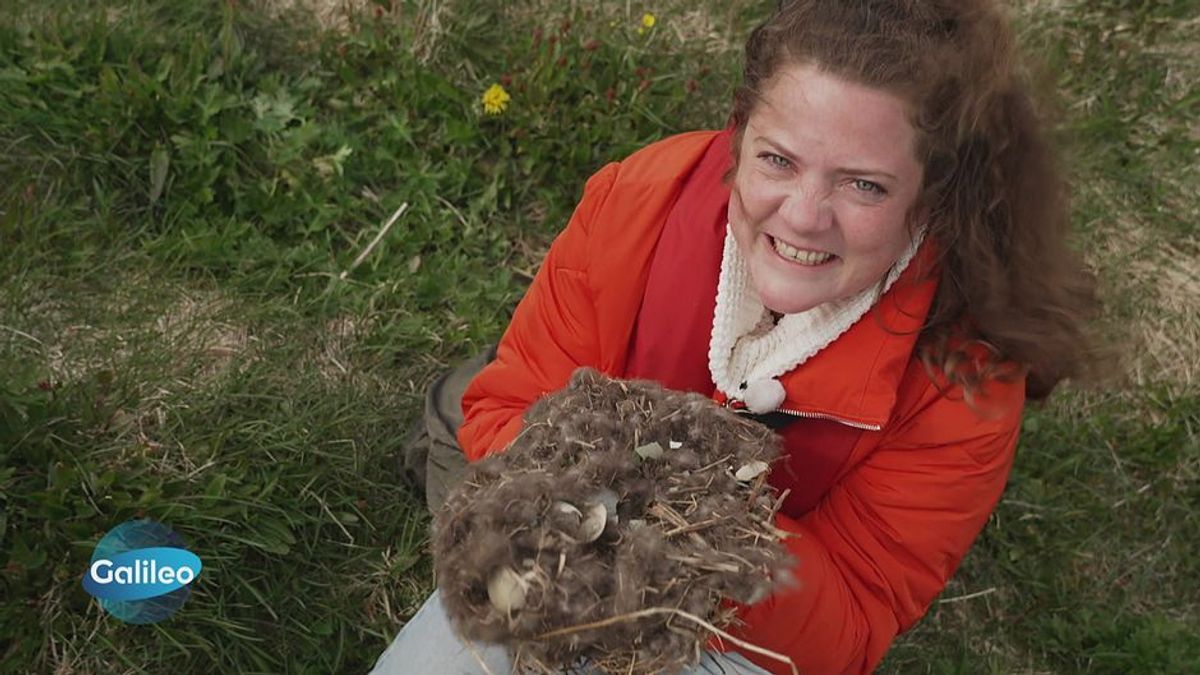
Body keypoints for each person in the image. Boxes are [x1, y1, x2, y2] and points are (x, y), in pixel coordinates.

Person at [377, 0, 1099, 672]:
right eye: (777, 160)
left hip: (732, 623)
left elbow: (850, 620)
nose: (805, 217)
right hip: (557, 537)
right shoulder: (636, 204)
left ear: (934, 196)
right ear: (738, 134)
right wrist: (576, 489)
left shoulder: (963, 382)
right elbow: (509, 405)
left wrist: (702, 528)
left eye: (864, 186)